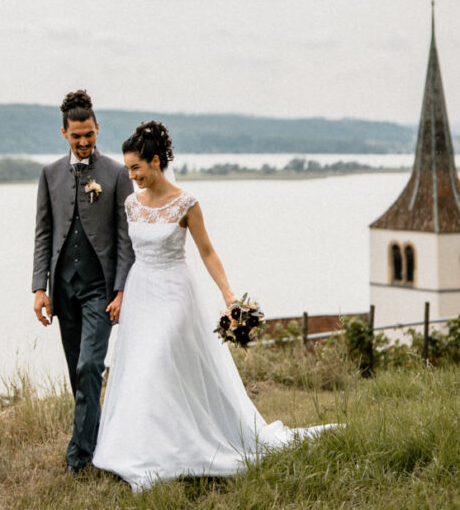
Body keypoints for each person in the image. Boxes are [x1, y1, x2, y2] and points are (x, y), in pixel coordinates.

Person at [92, 120, 331, 492]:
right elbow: (128, 252)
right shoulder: (130, 203)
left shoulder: (187, 203)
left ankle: (184, 448)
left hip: (174, 293)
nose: (131, 174)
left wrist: (229, 296)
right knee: (140, 369)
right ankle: (145, 449)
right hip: (141, 294)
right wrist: (121, 292)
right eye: (128, 168)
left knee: (158, 356)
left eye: (136, 167)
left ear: (155, 162)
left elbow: (207, 252)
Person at [31, 90, 134, 474]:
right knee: (76, 369)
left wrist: (122, 288)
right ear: (64, 134)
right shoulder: (49, 174)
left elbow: (126, 237)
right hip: (63, 288)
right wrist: (40, 288)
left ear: (97, 128)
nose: (85, 142)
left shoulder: (116, 174)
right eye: (77, 136)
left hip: (99, 289)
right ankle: (98, 440)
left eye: (89, 134)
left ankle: (79, 456)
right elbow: (43, 233)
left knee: (90, 366)